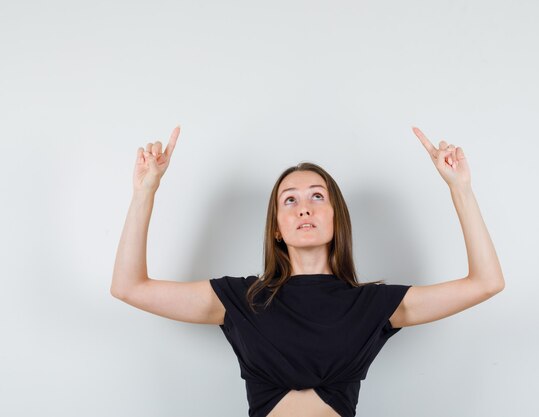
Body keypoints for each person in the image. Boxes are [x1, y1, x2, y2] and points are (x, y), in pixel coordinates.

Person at [111, 125, 505, 417]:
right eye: (290, 200)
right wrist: (145, 192)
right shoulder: (241, 299)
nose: (304, 207)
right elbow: (129, 287)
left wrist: (460, 188)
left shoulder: (373, 304)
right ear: (277, 228)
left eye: (318, 197)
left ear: (337, 218)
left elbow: (486, 283)